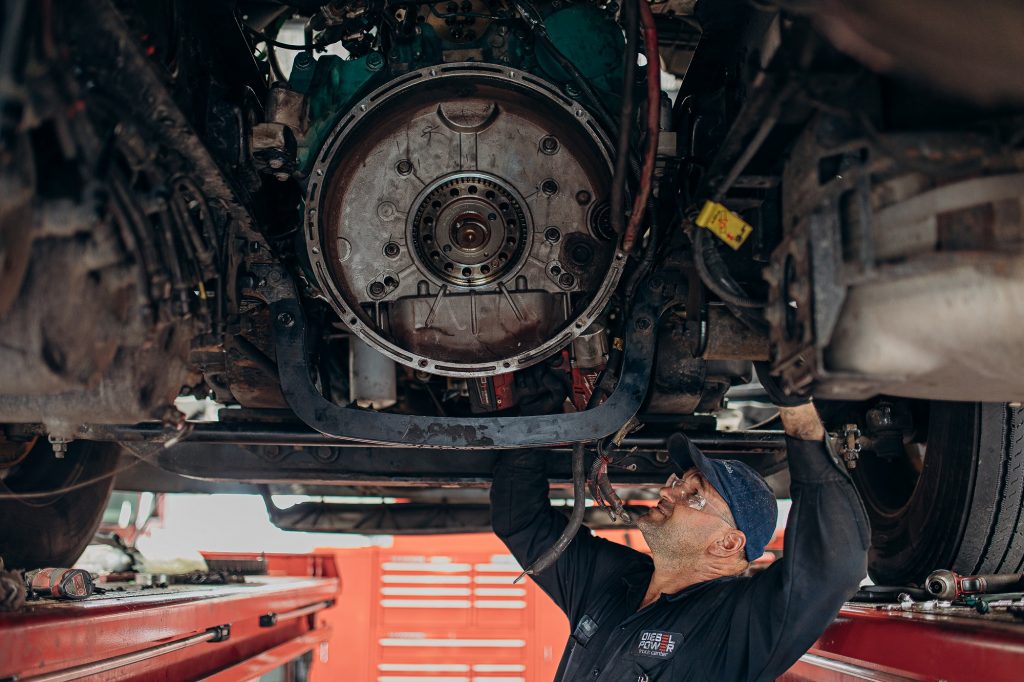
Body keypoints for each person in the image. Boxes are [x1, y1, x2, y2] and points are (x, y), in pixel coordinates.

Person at [490, 369, 869, 681]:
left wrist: (797, 411)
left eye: (693, 493)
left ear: (727, 543)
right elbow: (522, 521)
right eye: (678, 483)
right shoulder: (614, 582)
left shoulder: (732, 624)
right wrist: (535, 415)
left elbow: (831, 565)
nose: (668, 493)